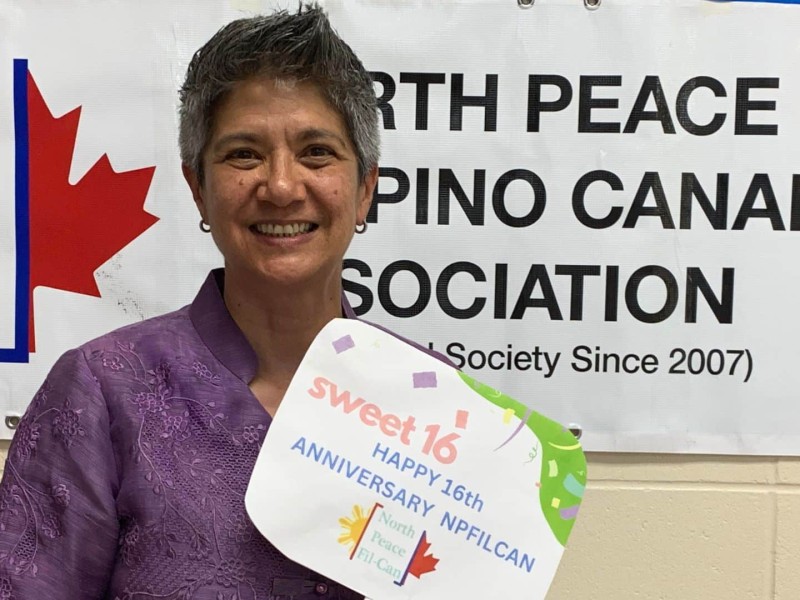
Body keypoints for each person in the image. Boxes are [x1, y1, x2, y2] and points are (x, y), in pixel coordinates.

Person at [0, 5, 449, 599]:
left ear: (365, 188)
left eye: (316, 151)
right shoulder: (103, 393)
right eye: (244, 154)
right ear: (198, 189)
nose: (282, 186)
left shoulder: (434, 401)